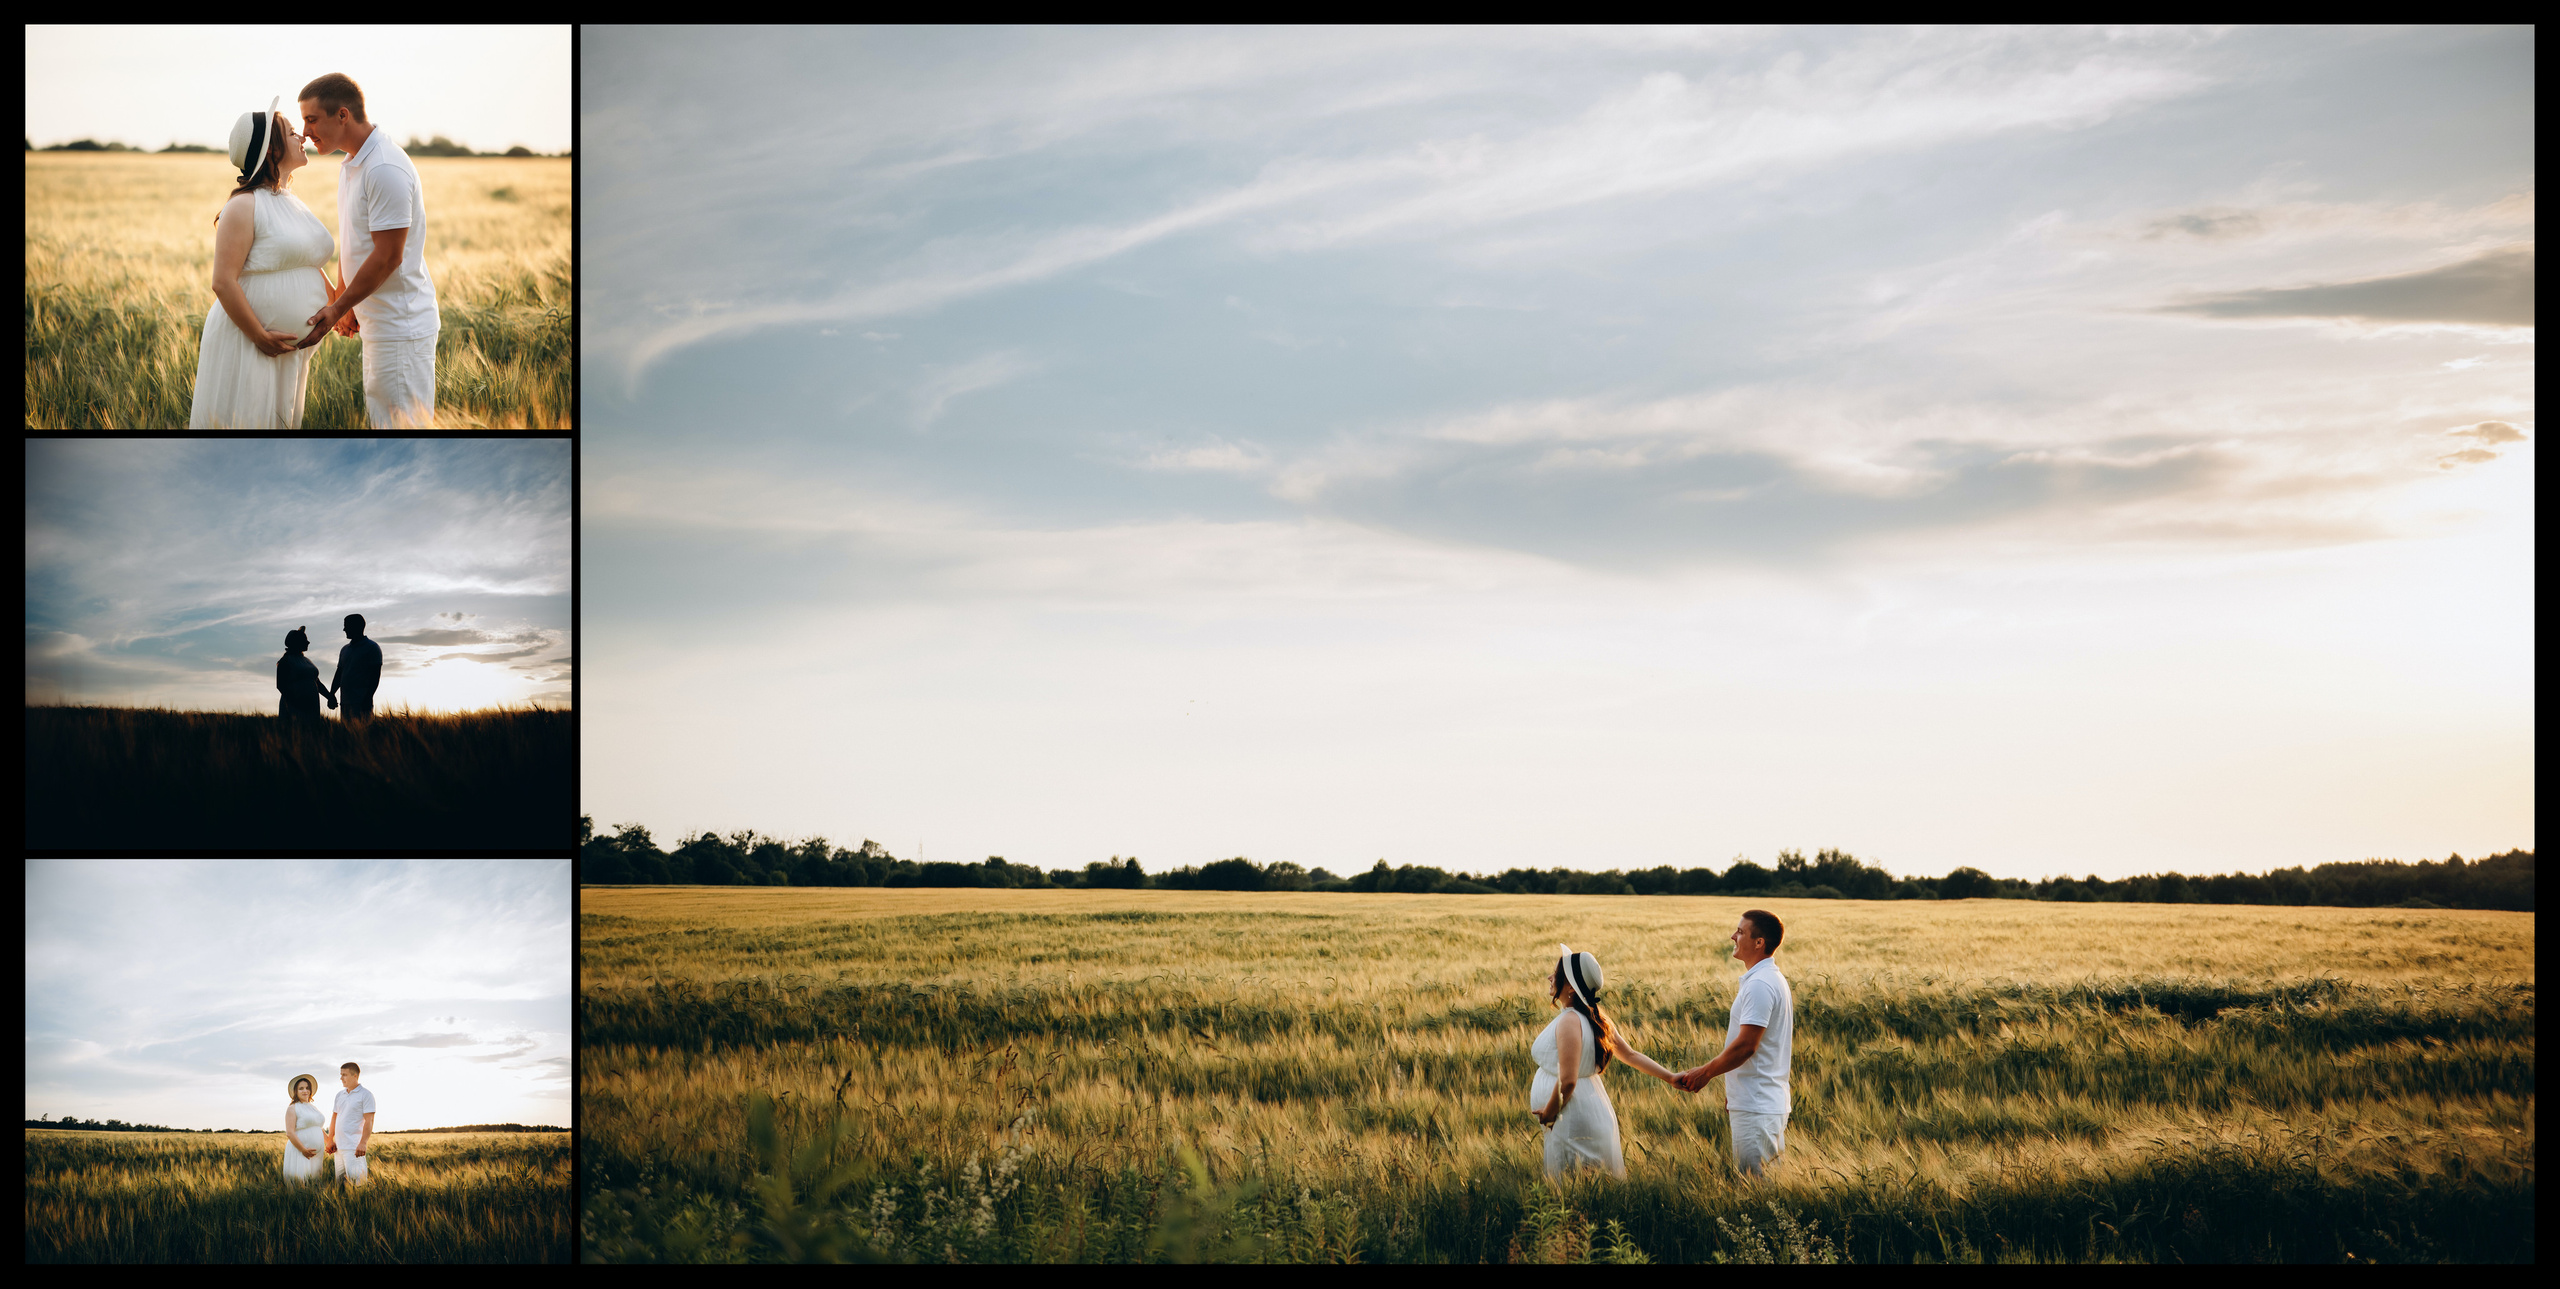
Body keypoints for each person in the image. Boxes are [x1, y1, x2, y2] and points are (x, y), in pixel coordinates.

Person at [299, 73, 441, 428]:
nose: (305, 131)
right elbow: (354, 240)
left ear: (342, 115)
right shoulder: (353, 163)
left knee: (403, 433)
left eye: (312, 119)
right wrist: (346, 299)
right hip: (380, 324)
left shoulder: (384, 167)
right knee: (384, 428)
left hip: (400, 328)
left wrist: (336, 308)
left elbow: (388, 256)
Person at [1608, 910, 1795, 1178]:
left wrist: (1704, 1073)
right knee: (1765, 1181)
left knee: (1757, 1185)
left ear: (1759, 942)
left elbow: (1746, 1046)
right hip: (1760, 1100)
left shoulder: (1760, 985)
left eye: (1740, 931)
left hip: (1757, 1104)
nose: (1733, 936)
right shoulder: (1769, 979)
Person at [188, 99, 335, 428]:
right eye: (293, 133)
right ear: (271, 148)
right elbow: (223, 281)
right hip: (248, 342)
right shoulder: (243, 205)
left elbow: (306, 260)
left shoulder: (290, 201)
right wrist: (259, 336)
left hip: (286, 351)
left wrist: (338, 306)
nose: (303, 137)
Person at [1530, 945, 1626, 1181]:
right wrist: (1671, 1077)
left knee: (1570, 1190)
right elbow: (1631, 1055)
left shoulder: (1570, 1021)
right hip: (1585, 1111)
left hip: (1571, 1119)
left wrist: (1549, 1114)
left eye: (1556, 974)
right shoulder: (1595, 1017)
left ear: (1571, 986)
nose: (1550, 977)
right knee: (1592, 1189)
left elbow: (1568, 1081)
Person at [326, 1062, 377, 1184]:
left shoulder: (366, 1095)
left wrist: (363, 1143)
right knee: (340, 1184)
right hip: (338, 1148)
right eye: (341, 1074)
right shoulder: (339, 1095)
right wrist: (330, 1139)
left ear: (355, 1076)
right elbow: (334, 1118)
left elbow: (369, 1120)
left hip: (353, 1147)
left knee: (357, 1184)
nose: (341, 1078)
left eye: (344, 1075)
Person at [327, 614, 384, 718]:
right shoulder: (345, 649)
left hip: (362, 703)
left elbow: (375, 675)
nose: (344, 629)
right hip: (345, 702)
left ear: (357, 626)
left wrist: (368, 697)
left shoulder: (372, 647)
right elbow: (339, 673)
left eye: (346, 626)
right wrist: (332, 694)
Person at [276, 626, 335, 720]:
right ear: (296, 642)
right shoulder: (286, 661)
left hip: (311, 705)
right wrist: (296, 703)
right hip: (295, 706)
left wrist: (329, 697)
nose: (308, 642)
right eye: (304, 640)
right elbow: (281, 685)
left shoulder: (306, 661)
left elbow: (317, 682)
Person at [282, 1074, 327, 1182]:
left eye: (307, 1088)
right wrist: (303, 1150)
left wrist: (329, 1141)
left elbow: (318, 1127)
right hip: (300, 1151)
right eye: (301, 1088)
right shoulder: (293, 1108)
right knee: (301, 1181)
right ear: (295, 1091)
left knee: (314, 1182)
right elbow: (290, 1133)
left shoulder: (313, 1108)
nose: (305, 1091)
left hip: (316, 1154)